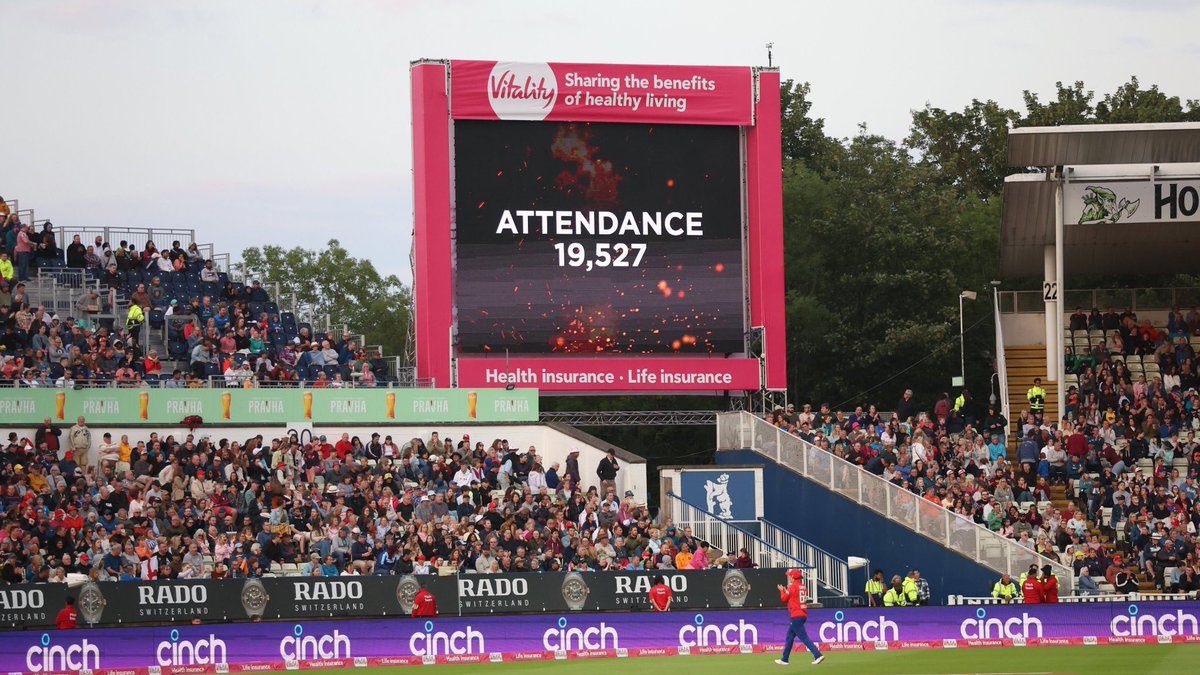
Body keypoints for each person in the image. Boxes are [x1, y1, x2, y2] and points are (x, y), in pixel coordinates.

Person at [774, 569, 824, 666]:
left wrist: (781, 591)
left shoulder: (792, 587)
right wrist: (785, 590)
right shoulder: (802, 587)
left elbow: (784, 599)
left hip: (796, 615)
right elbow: (793, 596)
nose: (789, 578)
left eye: (790, 576)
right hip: (802, 614)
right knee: (790, 636)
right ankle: (784, 659)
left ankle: (818, 655)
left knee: (804, 637)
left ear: (793, 577)